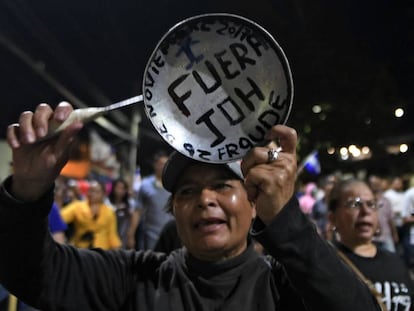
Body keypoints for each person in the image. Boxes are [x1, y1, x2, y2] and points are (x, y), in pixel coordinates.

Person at [0, 102, 381, 311]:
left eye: (221, 185)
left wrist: (286, 220)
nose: (204, 199)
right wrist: (28, 190)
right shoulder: (136, 278)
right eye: (187, 192)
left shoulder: (283, 286)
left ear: (253, 203)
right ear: (174, 211)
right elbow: (30, 273)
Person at [328, 178, 413, 310]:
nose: (365, 211)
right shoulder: (327, 264)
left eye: (371, 204)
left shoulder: (395, 262)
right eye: (355, 204)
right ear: (333, 218)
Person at [60, 179, 122, 250]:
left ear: (103, 194)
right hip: (80, 248)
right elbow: (59, 219)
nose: (92, 194)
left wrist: (117, 252)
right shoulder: (77, 206)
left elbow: (112, 235)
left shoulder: (109, 212)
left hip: (101, 251)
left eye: (96, 192)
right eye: (91, 190)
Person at [135, 150, 173, 250]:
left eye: (166, 164)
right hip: (151, 234)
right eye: (160, 164)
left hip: (171, 234)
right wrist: (130, 233)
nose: (163, 167)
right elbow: (138, 210)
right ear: (155, 165)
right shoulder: (145, 185)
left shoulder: (173, 185)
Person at [108, 178, 140, 249]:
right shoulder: (107, 202)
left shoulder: (130, 203)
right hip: (110, 234)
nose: (120, 191)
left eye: (123, 188)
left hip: (124, 235)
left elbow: (134, 217)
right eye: (118, 188)